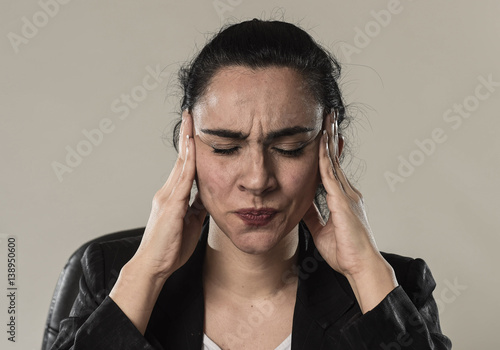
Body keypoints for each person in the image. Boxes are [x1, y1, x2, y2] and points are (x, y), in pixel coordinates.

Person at [51, 19, 452, 350]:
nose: (258, 179)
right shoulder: (111, 277)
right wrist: (148, 273)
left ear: (329, 152)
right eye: (226, 148)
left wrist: (366, 271)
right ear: (188, 149)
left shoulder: (394, 289)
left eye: (290, 147)